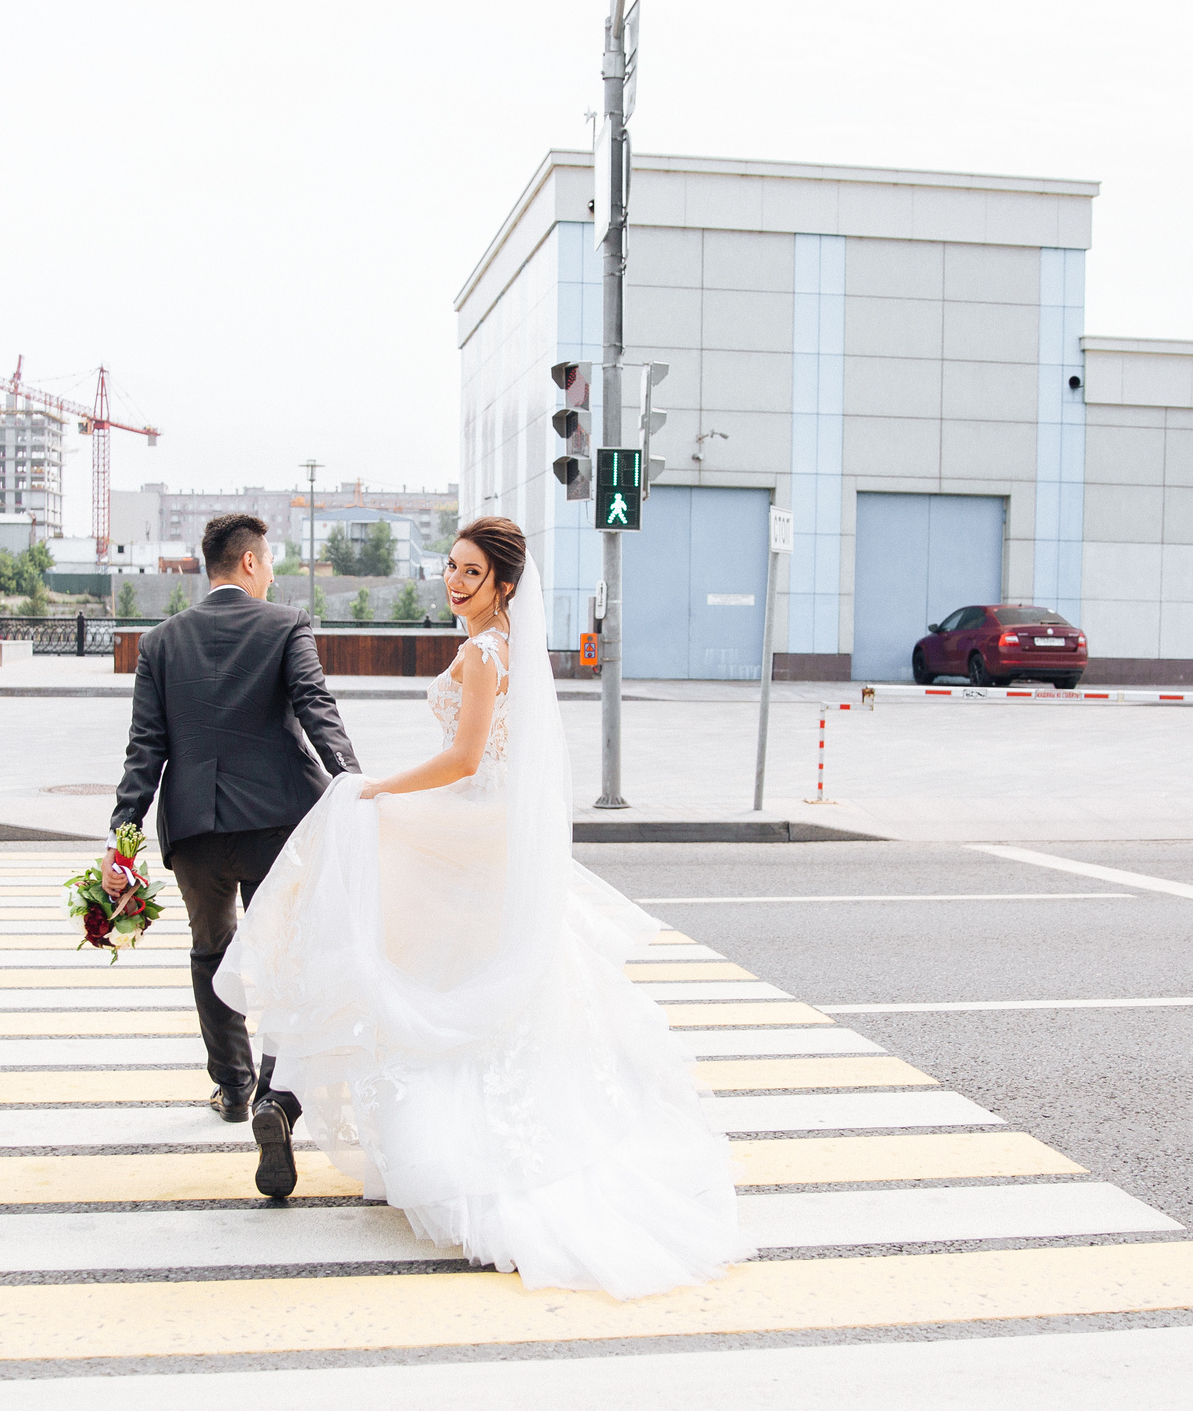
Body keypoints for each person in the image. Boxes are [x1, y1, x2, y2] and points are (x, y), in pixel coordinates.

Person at [216, 517, 753, 1299]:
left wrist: (377, 788)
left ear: (504, 584)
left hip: (471, 829)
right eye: (450, 567)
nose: (455, 582)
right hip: (494, 831)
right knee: (479, 977)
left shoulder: (482, 654)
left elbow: (466, 759)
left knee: (426, 965)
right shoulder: (512, 653)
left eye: (471, 572)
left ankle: (394, 1127)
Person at [106, 513, 361, 1189]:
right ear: (248, 563)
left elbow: (145, 748)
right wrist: (352, 782)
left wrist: (123, 840)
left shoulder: (160, 642)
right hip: (278, 824)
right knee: (282, 959)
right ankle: (277, 1097)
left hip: (193, 830)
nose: (273, 566)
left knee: (211, 952)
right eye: (269, 556)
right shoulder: (285, 625)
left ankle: (233, 1085)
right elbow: (315, 705)